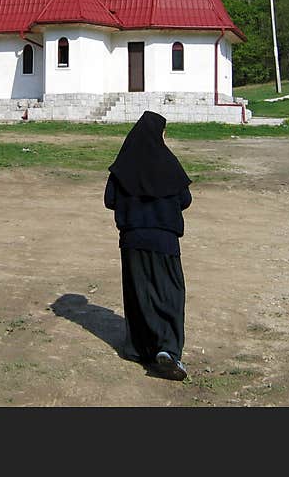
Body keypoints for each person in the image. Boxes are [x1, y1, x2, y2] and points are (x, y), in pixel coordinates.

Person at [104, 110, 192, 381]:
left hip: (132, 241)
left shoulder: (123, 165)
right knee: (169, 293)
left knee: (139, 293)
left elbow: (110, 200)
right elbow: (184, 199)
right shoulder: (168, 163)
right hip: (163, 240)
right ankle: (167, 350)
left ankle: (139, 348)